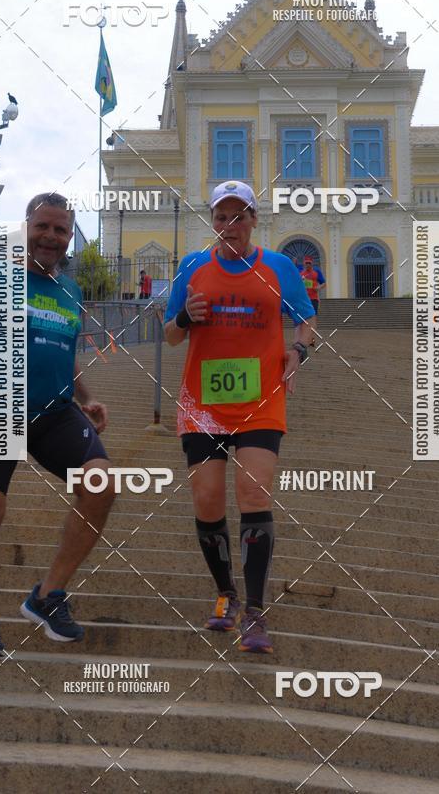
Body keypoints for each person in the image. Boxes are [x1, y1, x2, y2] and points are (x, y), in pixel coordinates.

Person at [0, 193, 116, 656]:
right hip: (0, 408)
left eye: (61, 229)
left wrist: (88, 399)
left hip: (55, 414)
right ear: (25, 228)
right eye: (42, 227)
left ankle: (47, 597)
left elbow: (61, 351)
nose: (51, 236)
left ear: (69, 236)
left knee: (102, 483)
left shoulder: (69, 290)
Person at [164, 180, 314, 654]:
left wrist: (297, 350)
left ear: (254, 219)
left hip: (261, 400)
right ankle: (225, 592)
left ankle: (253, 609)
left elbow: (307, 320)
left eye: (239, 216)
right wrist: (186, 316)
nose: (230, 225)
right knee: (207, 500)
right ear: (212, 221)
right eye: (221, 217)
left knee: (253, 492)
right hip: (202, 404)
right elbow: (169, 334)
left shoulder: (279, 267)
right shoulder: (192, 267)